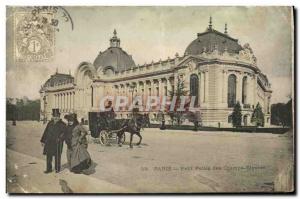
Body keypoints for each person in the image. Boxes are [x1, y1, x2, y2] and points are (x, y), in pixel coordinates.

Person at [40, 109, 66, 173]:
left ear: (59, 116)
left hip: (57, 142)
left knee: (57, 156)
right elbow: (46, 132)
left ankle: (57, 168)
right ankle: (48, 169)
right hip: (49, 142)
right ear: (52, 116)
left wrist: (60, 138)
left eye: (57, 116)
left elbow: (64, 133)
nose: (56, 118)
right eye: (54, 116)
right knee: (49, 156)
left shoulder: (62, 124)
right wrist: (43, 141)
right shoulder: (50, 123)